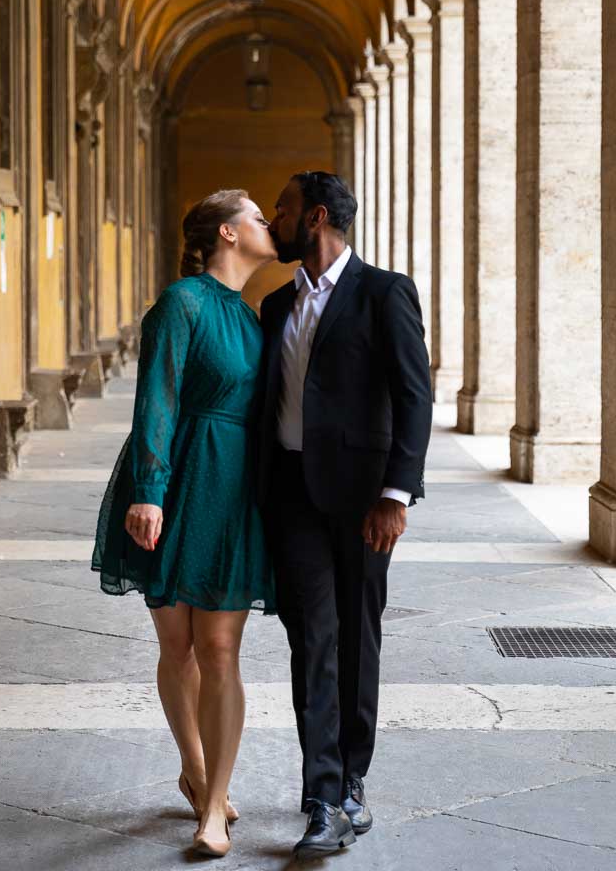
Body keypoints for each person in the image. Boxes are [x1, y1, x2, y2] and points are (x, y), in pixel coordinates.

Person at [92, 189, 277, 859]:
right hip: (176, 481)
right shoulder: (183, 302)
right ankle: (195, 771)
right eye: (258, 217)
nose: (269, 225)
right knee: (179, 648)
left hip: (233, 493)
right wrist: (149, 491)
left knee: (221, 648)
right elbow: (158, 397)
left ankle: (216, 808)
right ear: (229, 233)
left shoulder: (253, 317)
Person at [257, 172, 432, 861]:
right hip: (294, 496)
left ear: (317, 217)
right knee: (314, 642)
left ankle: (351, 780)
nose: (276, 220)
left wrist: (396, 494)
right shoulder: (276, 306)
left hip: (364, 501)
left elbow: (414, 397)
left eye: (284, 208)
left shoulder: (383, 293)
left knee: (357, 639)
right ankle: (322, 797)